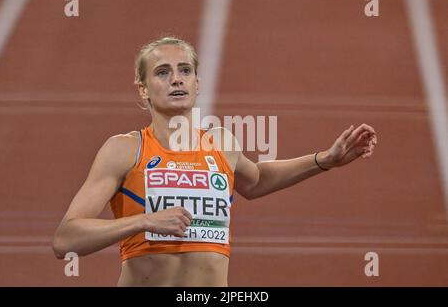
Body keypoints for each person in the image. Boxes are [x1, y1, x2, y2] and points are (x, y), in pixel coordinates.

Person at [52, 36, 378, 286]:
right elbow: (66, 238)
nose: (176, 79)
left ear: (197, 83)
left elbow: (257, 180)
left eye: (185, 71)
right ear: (143, 90)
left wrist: (325, 160)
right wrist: (143, 221)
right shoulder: (125, 149)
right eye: (162, 72)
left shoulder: (221, 142)